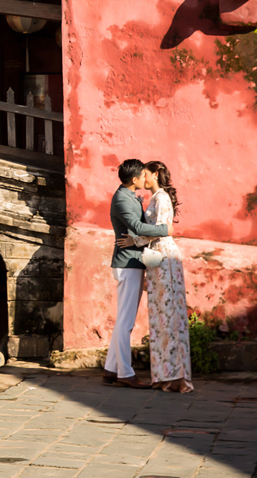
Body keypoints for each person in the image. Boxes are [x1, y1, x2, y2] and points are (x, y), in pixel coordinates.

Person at [103, 158, 172, 388]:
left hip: (133, 262)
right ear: (134, 179)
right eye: (143, 175)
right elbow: (138, 227)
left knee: (124, 319)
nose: (145, 178)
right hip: (127, 263)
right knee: (126, 322)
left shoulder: (129, 195)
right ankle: (125, 372)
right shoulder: (122, 199)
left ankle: (111, 369)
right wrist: (165, 229)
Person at [137, 161, 194, 393]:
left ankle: (178, 377)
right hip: (156, 255)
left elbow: (161, 230)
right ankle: (165, 376)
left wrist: (134, 239)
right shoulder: (155, 198)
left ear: (155, 174)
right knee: (160, 315)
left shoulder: (161, 198)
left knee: (170, 316)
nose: (143, 179)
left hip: (164, 256)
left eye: (145, 174)